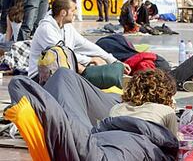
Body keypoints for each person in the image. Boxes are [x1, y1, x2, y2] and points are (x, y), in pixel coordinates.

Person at [6, 68, 179, 160]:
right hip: (121, 147)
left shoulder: (117, 108)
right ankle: (49, 115)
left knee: (53, 82)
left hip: (99, 141)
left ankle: (48, 114)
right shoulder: (166, 112)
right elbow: (172, 143)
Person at [28, 0, 131, 81]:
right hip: (39, 77)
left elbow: (87, 45)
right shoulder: (46, 29)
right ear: (63, 13)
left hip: (62, 71)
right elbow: (63, 55)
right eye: (73, 11)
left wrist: (113, 60)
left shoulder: (67, 27)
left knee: (96, 67)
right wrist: (90, 60)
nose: (75, 14)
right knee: (89, 72)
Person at [110, 69, 178, 137]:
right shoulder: (166, 111)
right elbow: (173, 142)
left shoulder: (115, 108)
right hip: (143, 146)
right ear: (166, 94)